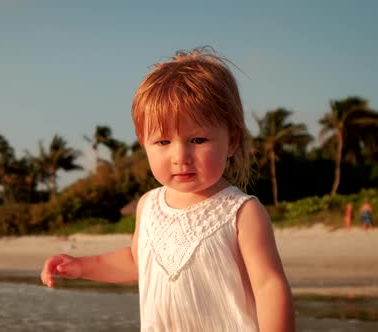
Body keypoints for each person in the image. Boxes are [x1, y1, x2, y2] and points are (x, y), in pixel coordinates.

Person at [40, 48, 295, 331]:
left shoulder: (241, 212)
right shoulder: (148, 206)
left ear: (231, 140)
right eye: (163, 142)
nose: (180, 156)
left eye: (197, 140)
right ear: (143, 143)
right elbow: (137, 262)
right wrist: (81, 266)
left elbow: (270, 286)